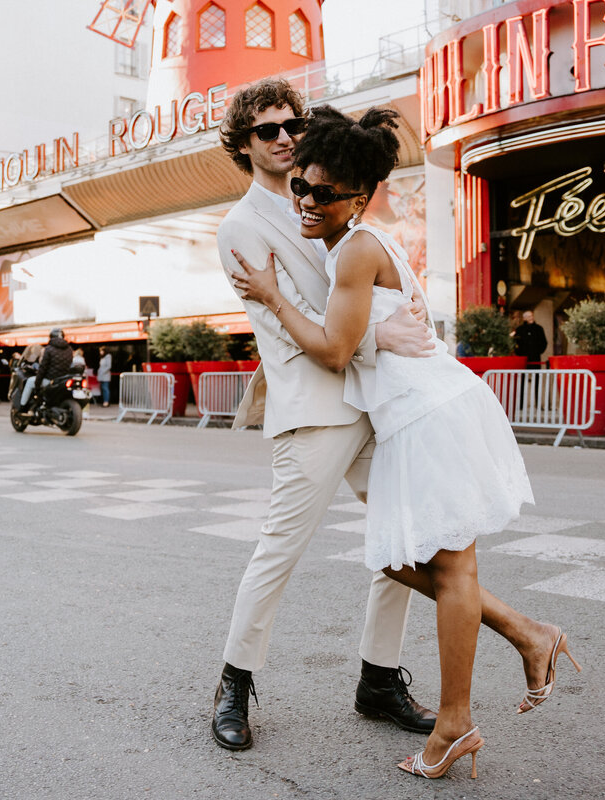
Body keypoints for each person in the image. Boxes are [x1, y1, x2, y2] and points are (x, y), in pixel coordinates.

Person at [231, 105, 579, 780]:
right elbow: (364, 339)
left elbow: (334, 351)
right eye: (300, 185)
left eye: (321, 193)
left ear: (356, 198)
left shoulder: (357, 250)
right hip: (427, 412)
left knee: (448, 572)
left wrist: (273, 296)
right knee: (399, 560)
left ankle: (453, 726)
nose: (305, 200)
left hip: (427, 419)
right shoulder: (362, 245)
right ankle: (526, 635)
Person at [210, 78, 439, 753]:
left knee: (405, 537)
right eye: (267, 131)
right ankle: (233, 682)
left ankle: (378, 679)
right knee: (279, 550)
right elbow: (283, 327)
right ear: (243, 146)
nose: (284, 137)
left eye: (292, 124)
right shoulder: (240, 226)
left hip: (376, 397)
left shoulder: (330, 191)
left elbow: (367, 285)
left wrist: (395, 334)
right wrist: (373, 337)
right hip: (313, 404)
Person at [20, 328, 72, 410]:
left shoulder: (49, 349)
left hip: (50, 380)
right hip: (63, 380)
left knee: (30, 382)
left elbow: (43, 368)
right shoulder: (69, 349)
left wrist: (37, 384)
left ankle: (22, 406)